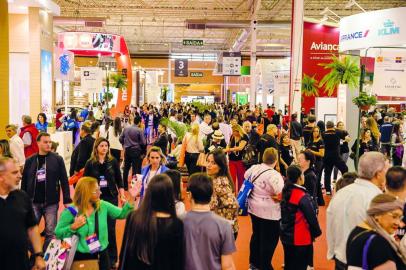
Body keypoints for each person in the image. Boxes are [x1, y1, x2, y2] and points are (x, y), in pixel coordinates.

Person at [327, 152, 390, 269]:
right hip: (364, 263)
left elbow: (330, 224)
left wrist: (332, 252)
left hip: (340, 259)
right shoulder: (377, 198)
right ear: (378, 174)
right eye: (387, 170)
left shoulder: (341, 193)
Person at [55, 177, 133, 270]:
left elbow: (122, 214)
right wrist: (73, 227)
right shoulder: (71, 211)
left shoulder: (103, 205)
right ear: (86, 193)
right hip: (80, 257)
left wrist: (131, 198)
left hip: (102, 255)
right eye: (96, 191)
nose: (100, 192)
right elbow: (58, 233)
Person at [119, 174, 183, 270]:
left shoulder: (134, 217)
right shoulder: (176, 224)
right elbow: (177, 260)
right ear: (170, 195)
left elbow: (125, 252)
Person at [21, 132, 72, 251]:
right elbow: (24, 181)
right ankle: (35, 255)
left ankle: (46, 257)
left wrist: (67, 199)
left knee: (50, 233)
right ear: (38, 143)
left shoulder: (58, 159)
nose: (49, 144)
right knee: (29, 231)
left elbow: (64, 180)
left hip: (51, 203)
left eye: (49, 142)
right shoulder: (29, 161)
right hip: (33, 202)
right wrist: (22, 200)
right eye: (45, 142)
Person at [83, 137, 125, 267]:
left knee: (110, 228)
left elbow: (119, 180)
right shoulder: (90, 163)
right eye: (101, 146)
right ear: (96, 148)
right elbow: (85, 182)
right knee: (94, 228)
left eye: (106, 146)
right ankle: (96, 255)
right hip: (95, 199)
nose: (104, 148)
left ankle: (113, 258)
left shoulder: (113, 162)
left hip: (111, 198)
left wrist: (122, 196)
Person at [183, 173, 237, 270]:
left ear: (189, 195)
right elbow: (227, 266)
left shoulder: (178, 222)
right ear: (212, 195)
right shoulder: (224, 226)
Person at [0, 157, 45, 270]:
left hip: (21, 263)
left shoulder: (22, 197)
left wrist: (38, 256)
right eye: (15, 172)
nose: (20, 175)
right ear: (1, 176)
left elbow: (32, 227)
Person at [245, 148, 284, 270]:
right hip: (270, 213)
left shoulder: (254, 168)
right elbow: (281, 193)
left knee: (256, 235)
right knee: (269, 240)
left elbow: (246, 177)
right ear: (276, 160)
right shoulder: (274, 175)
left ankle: (253, 263)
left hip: (253, 208)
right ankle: (265, 265)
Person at [346, 194, 406, 269]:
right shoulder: (377, 242)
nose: (398, 223)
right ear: (377, 214)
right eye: (394, 216)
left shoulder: (357, 231)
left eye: (400, 218)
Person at [280, 165, 321, 270]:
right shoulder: (301, 195)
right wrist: (317, 232)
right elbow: (311, 218)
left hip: (286, 236)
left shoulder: (285, 192)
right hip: (300, 238)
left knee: (289, 264)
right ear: (299, 177)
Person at [206, 149, 239, 237]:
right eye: (208, 161)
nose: (208, 165)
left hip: (222, 231)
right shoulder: (215, 179)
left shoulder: (219, 183)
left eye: (213, 163)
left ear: (220, 166)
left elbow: (233, 205)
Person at [120, 116, 146, 190]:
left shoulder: (126, 128)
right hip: (136, 151)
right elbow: (144, 142)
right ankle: (133, 187)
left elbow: (120, 138)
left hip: (127, 150)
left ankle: (125, 186)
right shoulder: (139, 130)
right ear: (139, 122)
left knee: (126, 168)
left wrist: (124, 144)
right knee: (135, 169)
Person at [322, 121, 348, 195]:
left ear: (326, 126)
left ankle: (328, 190)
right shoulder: (338, 132)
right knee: (344, 169)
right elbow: (346, 136)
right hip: (336, 156)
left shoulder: (323, 134)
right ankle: (344, 186)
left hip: (326, 156)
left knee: (327, 173)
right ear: (333, 126)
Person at [225, 124, 248, 191]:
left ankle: (240, 194)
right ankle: (233, 193)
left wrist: (229, 150)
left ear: (238, 131)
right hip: (231, 160)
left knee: (241, 178)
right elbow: (228, 145)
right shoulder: (232, 136)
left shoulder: (244, 137)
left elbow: (240, 148)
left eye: (234, 131)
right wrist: (227, 149)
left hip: (240, 160)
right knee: (232, 178)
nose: (232, 132)